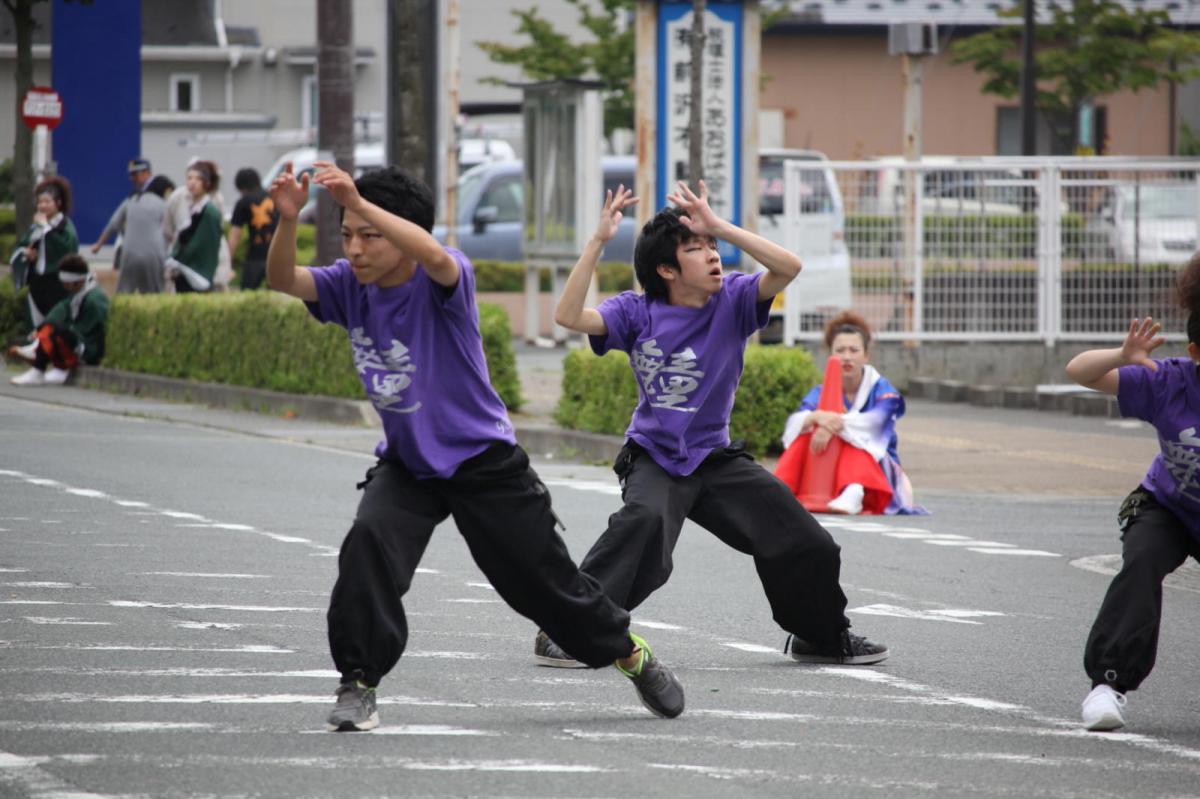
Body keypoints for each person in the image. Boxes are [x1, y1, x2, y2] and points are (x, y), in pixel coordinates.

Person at [265, 160, 685, 732]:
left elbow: (435, 256)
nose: (355, 249)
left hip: (483, 463)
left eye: (370, 235)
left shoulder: (444, 278)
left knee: (544, 589)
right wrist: (288, 220)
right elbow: (284, 280)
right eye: (347, 236)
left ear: (402, 236)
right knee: (369, 542)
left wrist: (359, 203)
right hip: (409, 465)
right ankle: (358, 683)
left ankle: (628, 653)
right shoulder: (347, 286)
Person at [535, 180, 889, 670]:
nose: (712, 255)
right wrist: (598, 240)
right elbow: (568, 315)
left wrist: (718, 224)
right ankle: (568, 628)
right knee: (645, 527)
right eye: (695, 249)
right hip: (655, 457)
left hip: (715, 458)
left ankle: (821, 636)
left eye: (712, 247)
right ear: (665, 269)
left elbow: (789, 267)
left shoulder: (735, 301)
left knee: (807, 542)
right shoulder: (636, 312)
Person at [1068, 256, 1200, 733]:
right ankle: (1107, 685)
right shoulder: (1170, 381)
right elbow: (1079, 371)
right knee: (1141, 561)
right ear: (1195, 352)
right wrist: (1122, 356)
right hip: (1167, 506)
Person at [778, 311, 926, 515]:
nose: (847, 356)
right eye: (840, 350)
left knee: (856, 437)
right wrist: (815, 417)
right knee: (804, 434)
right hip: (828, 470)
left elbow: (874, 424)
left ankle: (854, 489)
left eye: (854, 350)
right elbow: (796, 421)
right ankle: (780, 489)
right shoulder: (821, 391)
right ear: (831, 355)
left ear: (866, 355)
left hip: (877, 469)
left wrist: (831, 425)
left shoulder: (884, 391)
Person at [9, 254, 109, 386]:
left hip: (89, 349)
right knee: (52, 325)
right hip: (79, 342)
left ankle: (38, 368)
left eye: (66, 284)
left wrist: (58, 330)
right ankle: (49, 358)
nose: (64, 286)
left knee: (57, 331)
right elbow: (60, 311)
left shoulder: (94, 300)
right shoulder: (78, 293)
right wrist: (41, 329)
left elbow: (92, 332)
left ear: (76, 282)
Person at [9, 176, 78, 327]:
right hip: (37, 287)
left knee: (56, 329)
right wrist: (27, 254)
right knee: (37, 331)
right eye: (40, 202)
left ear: (58, 203)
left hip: (59, 287)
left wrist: (46, 229)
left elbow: (65, 249)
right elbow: (22, 246)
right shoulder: (37, 227)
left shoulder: (66, 227)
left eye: (47, 202)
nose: (42, 206)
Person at [98, 174, 174, 295]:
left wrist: (98, 245)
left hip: (128, 253)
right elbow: (169, 232)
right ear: (164, 190)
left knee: (124, 293)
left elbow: (113, 223)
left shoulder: (131, 199)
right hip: (153, 255)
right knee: (154, 294)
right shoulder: (163, 205)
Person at [164, 160, 223, 293]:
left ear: (207, 183)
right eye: (189, 178)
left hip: (198, 275)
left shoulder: (210, 212)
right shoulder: (193, 207)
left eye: (198, 178)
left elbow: (209, 247)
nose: (192, 182)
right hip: (186, 274)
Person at [89, 157, 153, 273]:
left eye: (135, 174)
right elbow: (115, 222)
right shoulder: (134, 196)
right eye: (131, 175)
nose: (132, 178)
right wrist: (99, 244)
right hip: (130, 246)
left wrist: (99, 245)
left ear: (146, 173)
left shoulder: (157, 193)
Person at [227, 167, 278, 290]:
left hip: (255, 257)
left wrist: (228, 261)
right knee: (278, 295)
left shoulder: (243, 202)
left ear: (241, 187)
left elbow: (235, 235)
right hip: (276, 254)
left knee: (247, 294)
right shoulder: (274, 197)